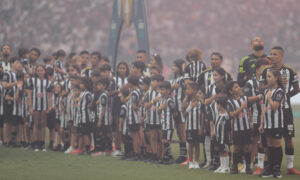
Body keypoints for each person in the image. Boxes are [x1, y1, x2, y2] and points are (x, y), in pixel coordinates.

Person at [260, 46, 300, 175]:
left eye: (275, 54)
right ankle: (268, 166)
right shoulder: (266, 70)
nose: (272, 56)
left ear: (281, 56)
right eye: (271, 54)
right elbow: (261, 88)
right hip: (270, 110)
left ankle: (290, 166)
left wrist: (285, 96)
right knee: (268, 140)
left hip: (285, 110)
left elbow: (297, 88)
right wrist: (271, 85)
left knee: (288, 138)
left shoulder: (289, 70)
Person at [243, 58, 269, 175]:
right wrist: (259, 97)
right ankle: (252, 162)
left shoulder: (270, 80)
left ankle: (264, 164)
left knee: (266, 141)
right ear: (257, 69)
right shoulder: (250, 83)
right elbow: (246, 99)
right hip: (255, 115)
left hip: (269, 115)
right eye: (264, 68)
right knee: (254, 140)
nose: (266, 70)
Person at [259, 69, 285, 178]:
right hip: (267, 124)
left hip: (277, 124)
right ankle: (269, 169)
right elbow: (264, 108)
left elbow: (274, 106)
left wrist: (269, 97)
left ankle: (277, 169)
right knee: (269, 146)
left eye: (269, 76)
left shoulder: (279, 91)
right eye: (267, 76)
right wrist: (261, 123)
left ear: (276, 78)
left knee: (277, 145)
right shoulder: (266, 91)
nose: (267, 79)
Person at [226, 81, 252, 174]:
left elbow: (249, 111)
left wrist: (251, 122)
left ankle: (248, 167)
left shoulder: (245, 98)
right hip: (237, 129)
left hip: (246, 127)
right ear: (231, 91)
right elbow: (231, 115)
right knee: (236, 148)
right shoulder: (229, 102)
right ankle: (235, 167)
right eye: (236, 87)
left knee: (247, 147)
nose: (239, 88)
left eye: (238, 86)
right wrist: (241, 108)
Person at [27, 65, 52, 151]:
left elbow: (49, 96)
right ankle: (35, 143)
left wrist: (50, 106)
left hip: (44, 105)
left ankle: (42, 143)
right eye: (38, 70)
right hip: (35, 105)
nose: (40, 72)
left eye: (41, 70)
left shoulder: (48, 82)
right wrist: (30, 107)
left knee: (43, 124)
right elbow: (29, 94)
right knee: (36, 124)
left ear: (44, 71)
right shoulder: (32, 80)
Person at [182, 82, 205, 169]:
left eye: (188, 89)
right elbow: (183, 114)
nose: (186, 91)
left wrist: (201, 127)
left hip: (197, 127)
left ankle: (196, 162)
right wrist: (190, 106)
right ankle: (190, 161)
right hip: (189, 127)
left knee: (197, 144)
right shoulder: (186, 101)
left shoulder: (200, 101)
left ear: (194, 90)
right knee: (190, 144)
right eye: (186, 89)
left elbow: (202, 115)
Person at [171, 59, 188, 164]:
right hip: (175, 107)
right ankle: (182, 155)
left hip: (180, 107)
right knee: (179, 132)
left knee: (182, 132)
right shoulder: (175, 79)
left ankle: (185, 156)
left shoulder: (182, 79)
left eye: (174, 65)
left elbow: (186, 90)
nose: (173, 67)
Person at [157, 81, 177, 164]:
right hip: (163, 124)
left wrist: (171, 121)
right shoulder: (161, 100)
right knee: (163, 140)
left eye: (163, 90)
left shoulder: (169, 100)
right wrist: (160, 108)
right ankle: (168, 156)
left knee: (166, 141)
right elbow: (158, 112)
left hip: (169, 125)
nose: (161, 92)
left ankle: (168, 158)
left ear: (168, 90)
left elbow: (175, 113)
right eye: (160, 90)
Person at [212, 96, 231, 173]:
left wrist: (230, 137)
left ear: (220, 105)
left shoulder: (226, 115)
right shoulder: (219, 114)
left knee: (225, 151)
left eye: (216, 104)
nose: (216, 106)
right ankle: (222, 166)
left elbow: (229, 127)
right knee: (220, 151)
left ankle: (226, 167)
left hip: (224, 137)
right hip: (218, 137)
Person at [126, 75, 142, 160]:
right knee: (135, 136)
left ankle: (137, 154)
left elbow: (135, 106)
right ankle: (137, 153)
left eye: (128, 82)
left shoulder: (135, 93)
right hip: (133, 117)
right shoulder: (135, 91)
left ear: (131, 83)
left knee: (135, 136)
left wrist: (135, 106)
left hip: (133, 118)